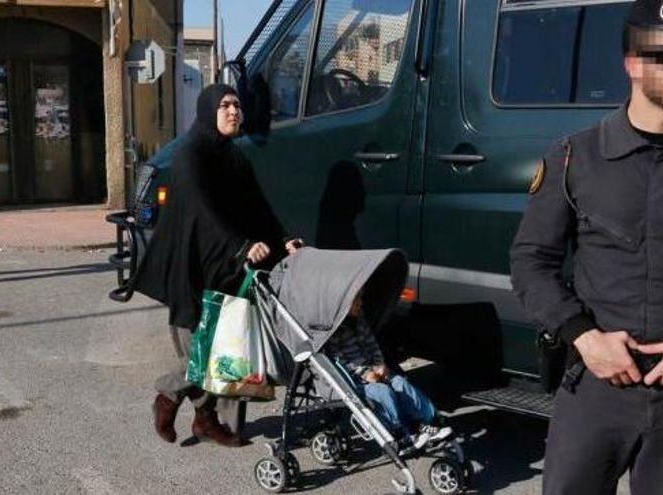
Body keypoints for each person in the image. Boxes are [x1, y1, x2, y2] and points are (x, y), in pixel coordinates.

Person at [510, 1, 663, 494]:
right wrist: (582, 336)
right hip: (595, 385)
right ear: (633, 64)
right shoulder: (574, 156)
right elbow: (531, 261)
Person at [133, 84, 303, 447]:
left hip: (228, 266)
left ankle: (205, 421)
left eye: (237, 106)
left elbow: (257, 208)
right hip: (192, 269)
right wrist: (240, 246)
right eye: (224, 105)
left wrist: (280, 240)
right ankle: (168, 396)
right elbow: (202, 212)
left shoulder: (235, 157)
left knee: (230, 349)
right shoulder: (190, 155)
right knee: (202, 349)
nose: (233, 112)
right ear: (208, 109)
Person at [325, 289, 452, 452]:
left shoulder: (360, 320)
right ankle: (402, 432)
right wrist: (364, 373)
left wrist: (380, 364)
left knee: (400, 383)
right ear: (345, 304)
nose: (361, 303)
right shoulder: (335, 332)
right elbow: (340, 361)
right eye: (357, 301)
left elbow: (372, 345)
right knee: (383, 392)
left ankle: (429, 420)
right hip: (355, 380)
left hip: (373, 370)